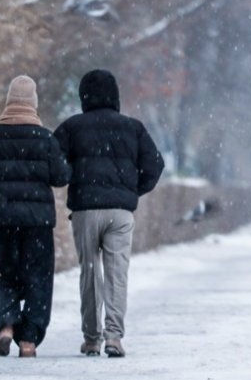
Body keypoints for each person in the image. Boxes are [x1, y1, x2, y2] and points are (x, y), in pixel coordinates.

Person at [55, 69, 164, 358]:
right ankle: (113, 337)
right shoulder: (133, 127)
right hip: (120, 212)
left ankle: (91, 338)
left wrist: (76, 181)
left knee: (90, 272)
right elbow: (155, 166)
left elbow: (54, 165)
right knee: (117, 274)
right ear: (115, 95)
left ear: (84, 96)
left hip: (86, 210)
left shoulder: (71, 127)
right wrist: (131, 191)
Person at [0, 75, 71, 358]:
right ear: (34, 104)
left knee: (9, 274)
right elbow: (61, 177)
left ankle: (7, 325)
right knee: (39, 277)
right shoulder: (46, 139)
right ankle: (29, 340)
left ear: (9, 102)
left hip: (1, 219)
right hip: (37, 223)